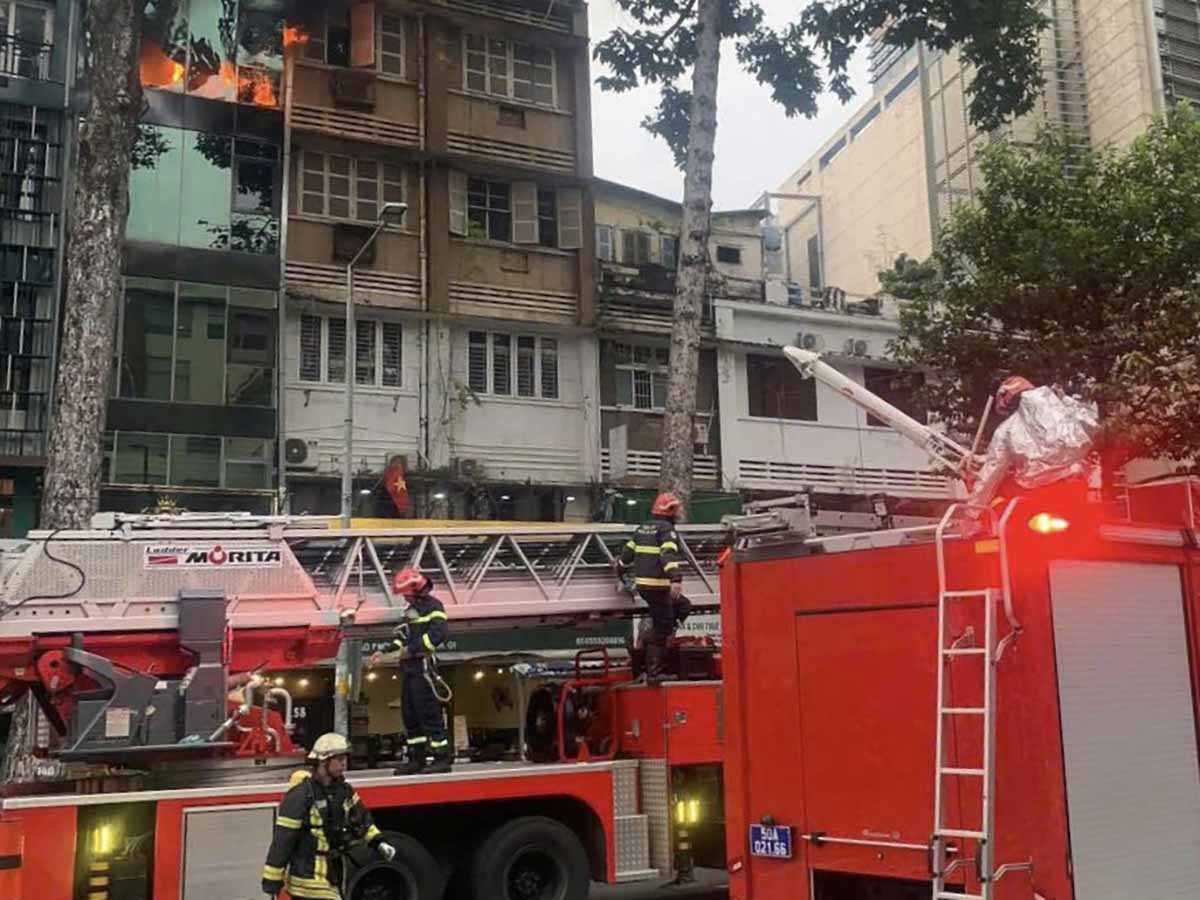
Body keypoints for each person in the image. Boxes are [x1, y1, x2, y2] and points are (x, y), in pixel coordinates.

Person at [262, 732, 395, 900]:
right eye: (339, 759)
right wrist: (272, 878)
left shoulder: (344, 790)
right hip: (307, 880)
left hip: (333, 875)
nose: (344, 764)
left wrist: (378, 841)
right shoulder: (301, 795)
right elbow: (283, 839)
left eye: (345, 759)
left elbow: (361, 819)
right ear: (324, 762)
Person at [969, 375, 1099, 510]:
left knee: (1001, 502)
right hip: (1074, 480)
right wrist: (1065, 399)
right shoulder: (1061, 407)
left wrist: (972, 510)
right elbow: (1092, 427)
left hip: (1032, 488)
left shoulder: (1006, 429)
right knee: (1085, 517)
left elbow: (991, 474)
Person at [369, 568, 452, 775]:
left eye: (406, 594)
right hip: (409, 670)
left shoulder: (434, 606)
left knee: (428, 713)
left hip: (423, 667)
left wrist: (412, 650)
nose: (404, 598)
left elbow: (439, 633)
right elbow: (402, 637)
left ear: (416, 590)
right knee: (410, 714)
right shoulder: (411, 611)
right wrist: (384, 652)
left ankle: (441, 758)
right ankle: (417, 758)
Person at [616, 491, 687, 679]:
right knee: (663, 628)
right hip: (658, 586)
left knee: (683, 606)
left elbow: (627, 553)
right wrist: (676, 579)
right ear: (670, 511)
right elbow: (667, 555)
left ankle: (650, 636)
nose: (679, 513)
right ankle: (655, 672)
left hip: (644, 586)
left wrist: (620, 568)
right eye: (677, 509)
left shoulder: (642, 528)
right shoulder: (667, 530)